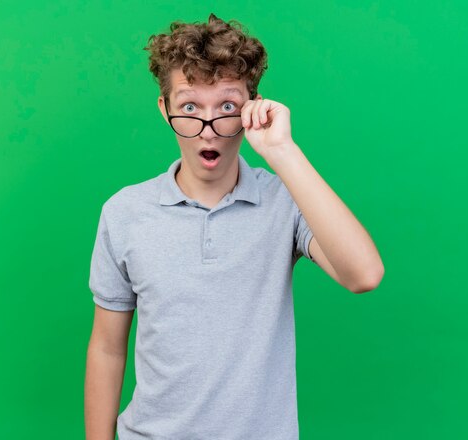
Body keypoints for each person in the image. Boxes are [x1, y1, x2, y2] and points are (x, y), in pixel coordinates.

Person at [85, 13, 384, 440]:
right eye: (190, 107)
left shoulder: (286, 201)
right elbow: (107, 348)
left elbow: (364, 274)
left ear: (251, 109)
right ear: (164, 108)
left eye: (227, 107)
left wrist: (282, 150)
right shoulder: (125, 212)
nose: (209, 130)